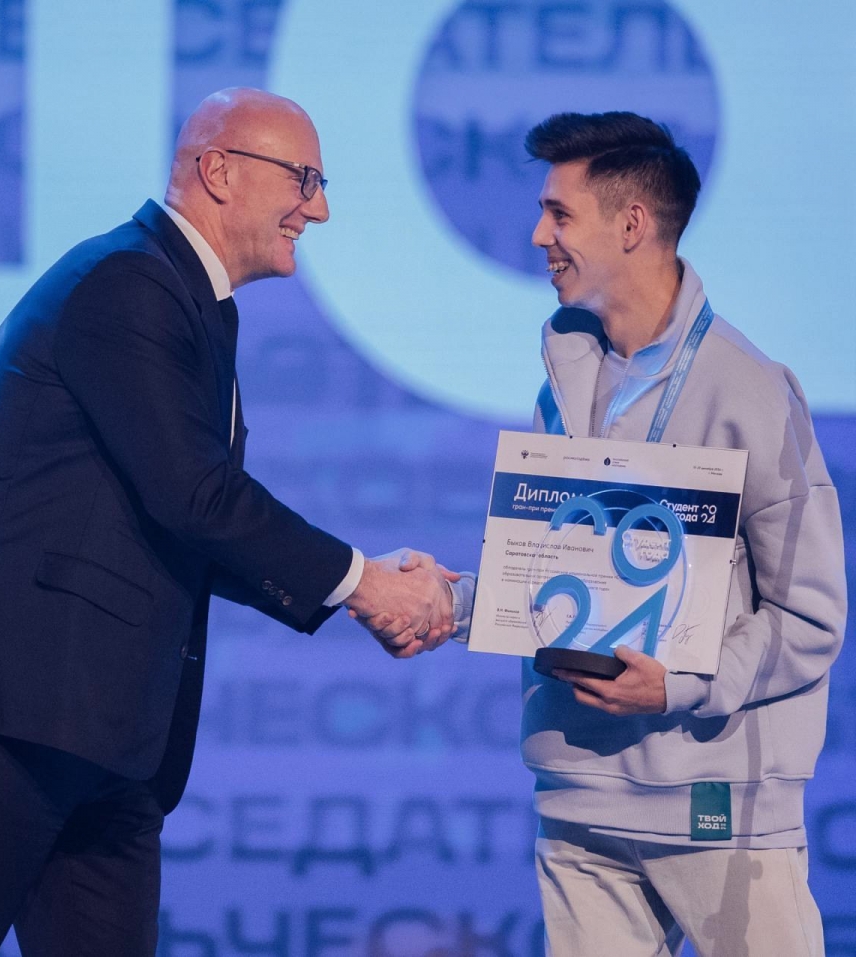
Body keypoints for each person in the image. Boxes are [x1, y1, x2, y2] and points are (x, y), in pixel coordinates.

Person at [0, 87, 455, 956]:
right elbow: (194, 495)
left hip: (104, 734)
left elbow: (183, 520)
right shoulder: (127, 283)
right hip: (8, 710)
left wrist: (356, 584)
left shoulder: (184, 297)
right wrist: (362, 582)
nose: (319, 209)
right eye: (304, 180)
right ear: (219, 171)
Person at [365, 111, 847, 956]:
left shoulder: (751, 390)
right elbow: (573, 585)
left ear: (632, 225)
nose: (537, 236)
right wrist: (456, 602)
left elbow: (809, 618)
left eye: (559, 214)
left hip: (716, 804)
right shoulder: (565, 380)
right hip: (580, 797)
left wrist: (678, 684)